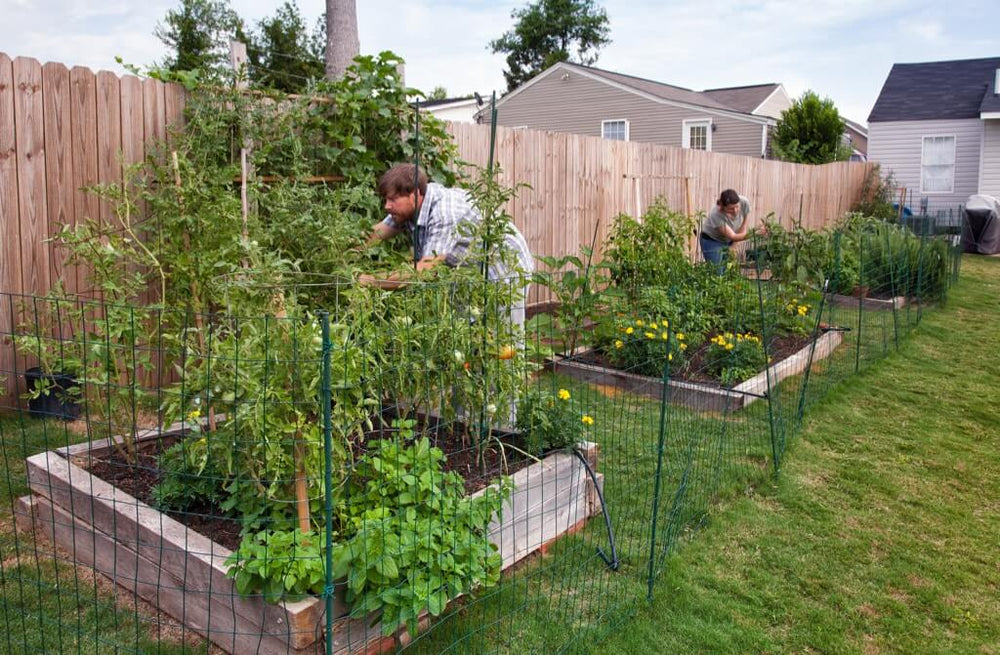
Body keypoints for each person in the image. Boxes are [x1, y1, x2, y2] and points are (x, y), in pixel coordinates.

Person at [360, 163, 534, 327]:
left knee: (504, 338)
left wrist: (371, 281)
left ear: (415, 194)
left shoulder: (443, 213)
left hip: (506, 267)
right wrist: (348, 252)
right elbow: (376, 233)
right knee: (465, 331)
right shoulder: (408, 208)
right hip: (470, 273)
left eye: (392, 200)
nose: (387, 206)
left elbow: (424, 271)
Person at [700, 189, 752, 271]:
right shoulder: (716, 214)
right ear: (722, 207)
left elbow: (743, 225)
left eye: (737, 207)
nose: (735, 211)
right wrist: (756, 234)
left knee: (728, 270)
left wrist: (733, 246)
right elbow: (733, 236)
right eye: (731, 209)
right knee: (717, 271)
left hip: (729, 240)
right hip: (712, 240)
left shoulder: (744, 202)